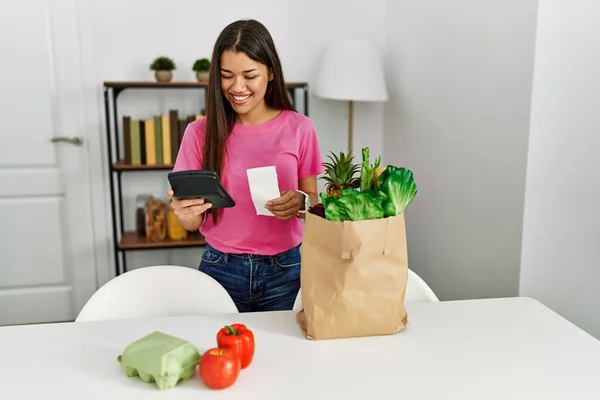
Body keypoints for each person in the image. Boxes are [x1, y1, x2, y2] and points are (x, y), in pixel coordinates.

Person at [168, 19, 324, 313]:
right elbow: (190, 223)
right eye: (227, 76)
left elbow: (313, 202)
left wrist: (300, 202)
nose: (237, 87)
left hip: (287, 270)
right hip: (220, 268)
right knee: (218, 352)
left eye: (249, 75)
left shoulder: (300, 128)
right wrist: (184, 213)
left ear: (271, 72)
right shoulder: (199, 133)